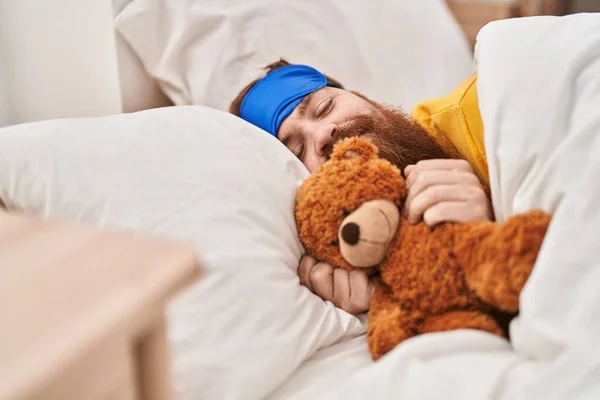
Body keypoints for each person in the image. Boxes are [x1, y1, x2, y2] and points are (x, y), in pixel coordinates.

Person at [229, 59, 493, 315]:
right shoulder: (350, 258)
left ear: (364, 97)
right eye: (298, 151)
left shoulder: (481, 108)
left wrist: (493, 215)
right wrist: (385, 302)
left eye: (325, 107)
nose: (323, 134)